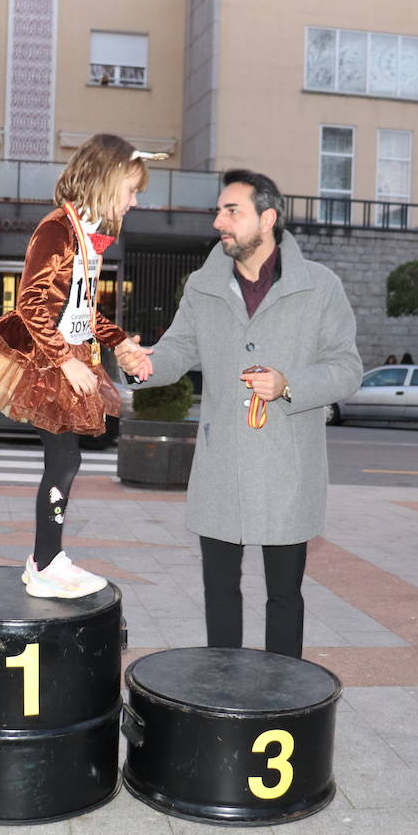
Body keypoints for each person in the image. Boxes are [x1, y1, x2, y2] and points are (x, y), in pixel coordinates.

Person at [126, 169, 362, 658]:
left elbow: (347, 369)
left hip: (288, 468)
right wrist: (140, 364)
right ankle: (222, 689)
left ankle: (284, 692)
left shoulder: (320, 287)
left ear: (267, 218)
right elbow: (175, 354)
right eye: (219, 211)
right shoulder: (202, 286)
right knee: (219, 592)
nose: (219, 222)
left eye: (231, 211)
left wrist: (290, 383)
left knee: (284, 596)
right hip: (221, 467)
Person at [0, 134, 155, 599]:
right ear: (105, 180)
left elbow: (83, 310)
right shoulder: (57, 229)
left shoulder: (89, 234)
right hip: (43, 355)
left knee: (65, 459)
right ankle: (45, 562)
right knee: (64, 459)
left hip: (68, 354)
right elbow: (31, 301)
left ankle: (48, 558)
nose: (135, 201)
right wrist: (64, 362)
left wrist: (119, 342)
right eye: (131, 190)